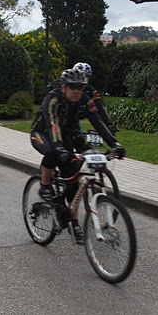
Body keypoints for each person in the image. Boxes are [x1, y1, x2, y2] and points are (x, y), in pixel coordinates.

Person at [30, 69, 125, 244]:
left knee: (77, 176)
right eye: (73, 87)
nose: (77, 91)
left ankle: (73, 221)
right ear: (64, 87)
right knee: (52, 152)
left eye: (80, 88)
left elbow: (98, 122)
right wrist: (60, 149)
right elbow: (53, 125)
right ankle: (44, 185)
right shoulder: (53, 99)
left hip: (68, 134)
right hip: (42, 133)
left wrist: (114, 144)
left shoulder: (84, 99)